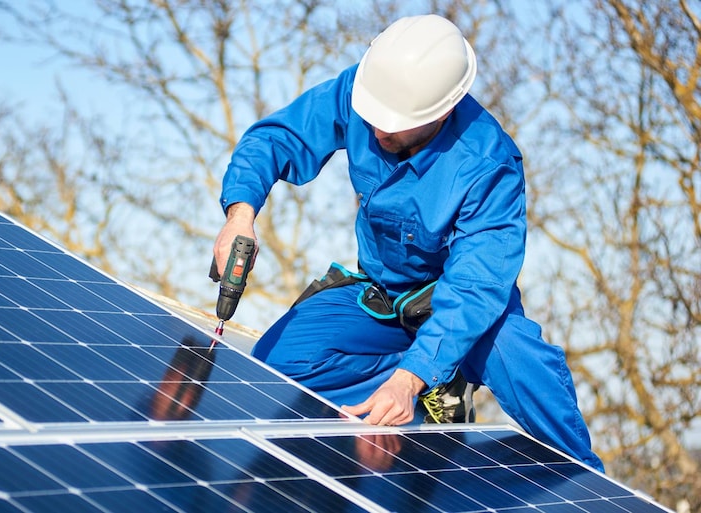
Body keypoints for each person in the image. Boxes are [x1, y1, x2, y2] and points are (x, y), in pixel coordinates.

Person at [211, 14, 604, 472]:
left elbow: (475, 288)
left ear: (440, 112)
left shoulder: (488, 164)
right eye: (372, 119)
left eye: (393, 125)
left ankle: (590, 483)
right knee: (274, 365)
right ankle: (435, 383)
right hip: (380, 298)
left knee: (523, 363)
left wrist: (412, 375)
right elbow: (279, 137)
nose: (377, 132)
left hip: (454, 307)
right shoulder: (364, 90)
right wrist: (241, 214)